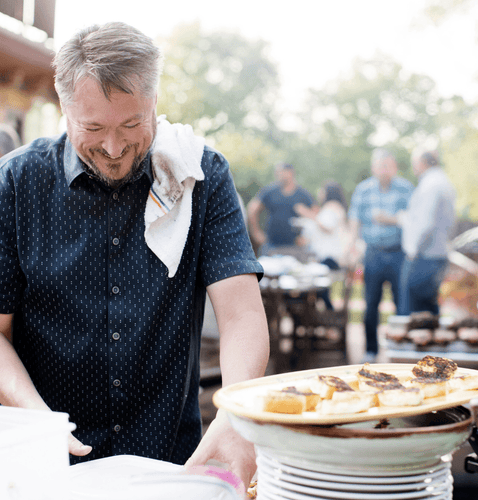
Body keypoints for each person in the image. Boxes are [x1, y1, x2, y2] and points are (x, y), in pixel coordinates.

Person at [0, 22, 269, 490]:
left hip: (173, 467)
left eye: (131, 124)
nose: (113, 147)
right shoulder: (15, 184)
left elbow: (242, 313)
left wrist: (236, 411)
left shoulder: (201, 176)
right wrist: (42, 422)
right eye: (93, 128)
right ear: (64, 110)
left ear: (154, 103)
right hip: (45, 467)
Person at [348, 149, 413, 362]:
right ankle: (371, 350)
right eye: (380, 165)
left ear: (394, 167)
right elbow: (355, 220)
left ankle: (400, 349)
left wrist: (390, 219)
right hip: (373, 254)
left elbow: (413, 220)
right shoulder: (363, 190)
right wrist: (353, 247)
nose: (384, 170)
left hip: (398, 254)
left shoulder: (406, 189)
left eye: (388, 165)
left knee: (401, 304)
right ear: (374, 167)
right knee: (370, 303)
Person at [398, 149, 456, 316]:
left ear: (421, 163)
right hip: (437, 255)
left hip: (424, 256)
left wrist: (413, 250)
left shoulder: (430, 185)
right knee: (429, 310)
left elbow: (425, 223)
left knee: (414, 313)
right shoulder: (444, 182)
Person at [294, 181, 352, 310]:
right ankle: (322, 316)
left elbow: (326, 225)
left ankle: (326, 316)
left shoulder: (333, 207)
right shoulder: (330, 209)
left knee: (316, 287)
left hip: (330, 257)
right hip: (327, 256)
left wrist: (306, 213)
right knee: (318, 289)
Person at [247, 163, 316, 256]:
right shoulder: (270, 191)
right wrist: (256, 233)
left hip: (296, 247)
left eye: (283, 172)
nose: (280, 175)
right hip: (271, 245)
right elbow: (252, 209)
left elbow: (317, 216)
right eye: (278, 172)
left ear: (291, 173)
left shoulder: (303, 194)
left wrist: (307, 238)